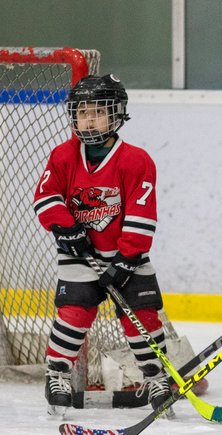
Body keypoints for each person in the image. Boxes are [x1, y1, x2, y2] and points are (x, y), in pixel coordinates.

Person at [32, 73, 172, 417]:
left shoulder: (136, 160)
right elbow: (45, 197)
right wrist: (66, 229)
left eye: (97, 111)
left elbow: (142, 213)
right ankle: (58, 374)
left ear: (117, 114)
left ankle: (156, 377)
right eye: (82, 112)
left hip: (129, 256)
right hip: (80, 256)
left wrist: (125, 260)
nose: (88, 119)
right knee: (74, 313)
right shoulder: (63, 156)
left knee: (142, 316)